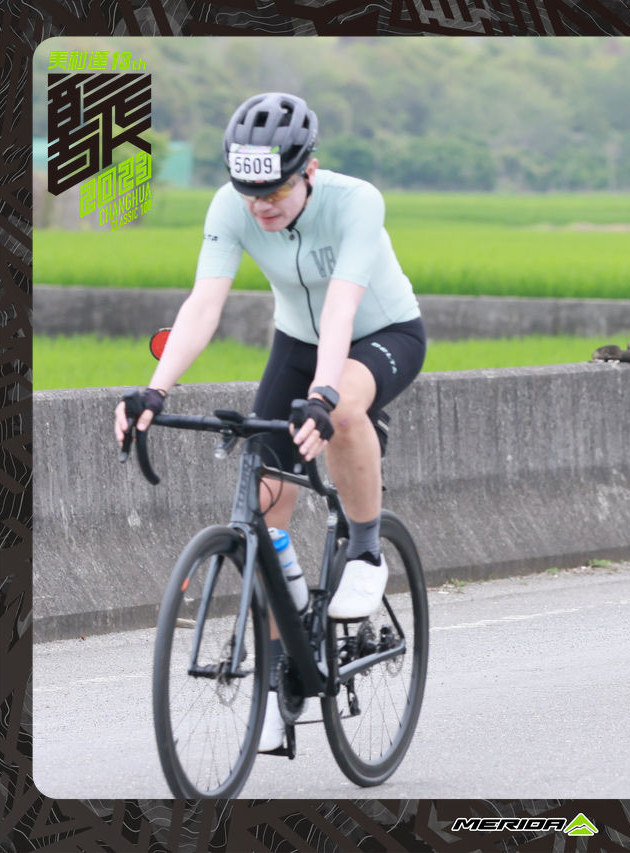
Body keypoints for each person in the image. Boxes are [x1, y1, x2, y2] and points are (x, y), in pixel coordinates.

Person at [113, 92, 426, 752]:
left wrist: (323, 394)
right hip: (295, 342)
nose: (261, 205)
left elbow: (341, 309)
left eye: (276, 189)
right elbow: (204, 305)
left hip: (381, 334)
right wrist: (155, 389)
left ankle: (366, 549)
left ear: (309, 170)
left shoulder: (356, 201)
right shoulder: (231, 207)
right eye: (249, 190)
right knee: (264, 503)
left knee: (343, 410)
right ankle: (284, 663)